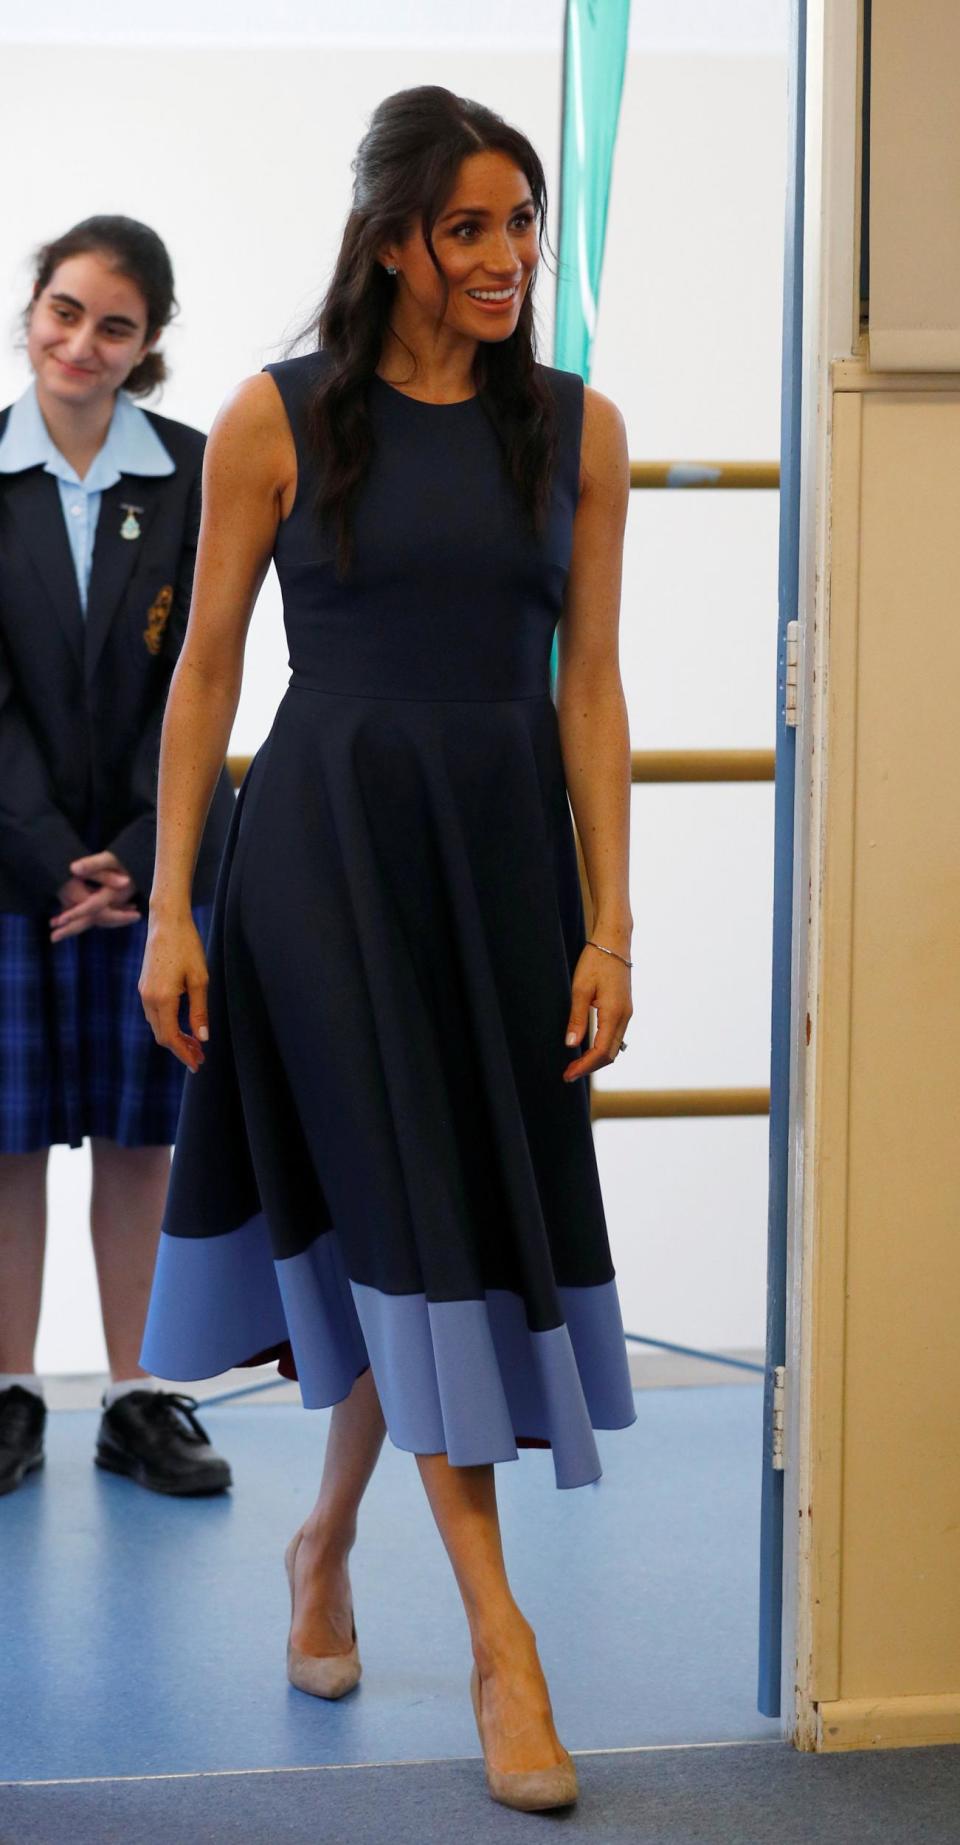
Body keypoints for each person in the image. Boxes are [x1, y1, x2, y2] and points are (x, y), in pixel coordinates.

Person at [139, 87, 635, 1812]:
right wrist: (177, 912)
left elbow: (590, 688)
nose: (506, 260)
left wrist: (613, 926)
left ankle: (323, 1545)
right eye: (473, 228)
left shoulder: (578, 429)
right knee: (415, 1215)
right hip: (325, 867)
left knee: (423, 1237)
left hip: (501, 870)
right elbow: (205, 674)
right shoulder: (277, 421)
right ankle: (505, 1646)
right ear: (394, 240)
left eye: (523, 227)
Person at [0, 216, 235, 1499]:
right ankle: (9, 1390)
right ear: (30, 306)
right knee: (7, 1141)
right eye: (65, 310)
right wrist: (55, 863)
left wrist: (144, 854)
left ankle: (142, 1397)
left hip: (153, 871)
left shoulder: (194, 477)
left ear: (149, 347)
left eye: (114, 326)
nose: (80, 343)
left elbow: (204, 681)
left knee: (145, 1142)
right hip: (9, 871)